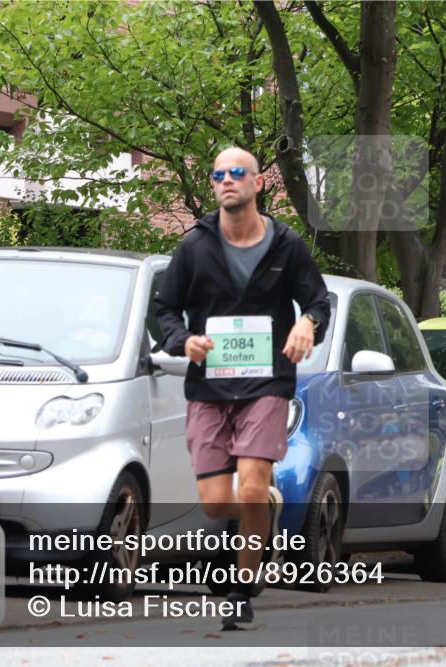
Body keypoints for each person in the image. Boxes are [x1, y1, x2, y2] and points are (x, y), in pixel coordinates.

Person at [155, 146, 330, 630]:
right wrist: (182, 340)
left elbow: (317, 301)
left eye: (237, 173)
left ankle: (241, 587)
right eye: (218, 174)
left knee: (252, 484)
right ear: (213, 186)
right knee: (215, 502)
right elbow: (164, 310)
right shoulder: (194, 247)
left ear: (257, 184)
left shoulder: (286, 245)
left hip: (266, 384)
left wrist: (307, 325)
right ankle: (264, 509)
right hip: (209, 389)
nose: (227, 180)